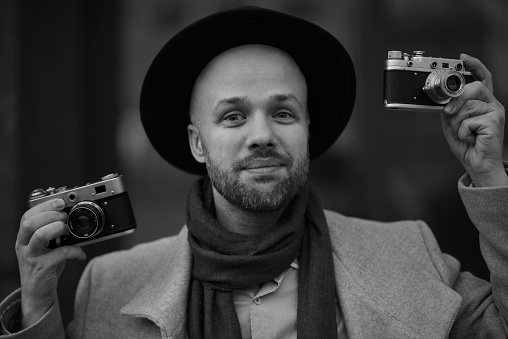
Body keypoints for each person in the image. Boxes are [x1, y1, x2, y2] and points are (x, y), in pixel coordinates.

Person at [1, 6, 507, 339]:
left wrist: (491, 178)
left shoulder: (407, 253)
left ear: (307, 131)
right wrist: (39, 303)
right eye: (233, 116)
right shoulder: (110, 285)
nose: (262, 134)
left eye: (284, 113)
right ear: (199, 143)